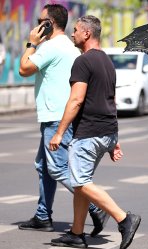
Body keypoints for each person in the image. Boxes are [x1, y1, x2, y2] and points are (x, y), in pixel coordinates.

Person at [48, 15, 141, 249]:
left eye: (76, 30)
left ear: (87, 34)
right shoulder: (107, 62)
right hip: (106, 131)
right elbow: (111, 100)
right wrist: (114, 140)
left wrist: (59, 133)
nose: (73, 34)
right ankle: (76, 233)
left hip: (88, 132)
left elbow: (76, 100)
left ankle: (124, 218)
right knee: (82, 182)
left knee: (80, 182)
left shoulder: (83, 61)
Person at [18, 4, 108, 235]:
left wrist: (31, 43)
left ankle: (99, 206)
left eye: (40, 21)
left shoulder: (51, 46)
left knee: (57, 169)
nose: (36, 25)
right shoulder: (68, 46)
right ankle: (42, 215)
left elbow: (24, 69)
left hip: (55, 116)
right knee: (44, 166)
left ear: (48, 24)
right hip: (59, 114)